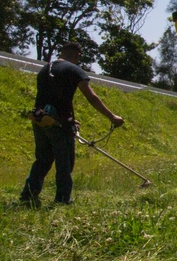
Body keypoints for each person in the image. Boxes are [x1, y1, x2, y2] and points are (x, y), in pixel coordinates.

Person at [20, 41, 125, 206]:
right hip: (59, 124)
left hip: (40, 119)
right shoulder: (73, 70)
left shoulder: (45, 69)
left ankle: (28, 196)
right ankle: (62, 199)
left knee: (42, 160)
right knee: (65, 162)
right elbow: (91, 96)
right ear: (77, 55)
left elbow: (51, 96)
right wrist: (112, 117)